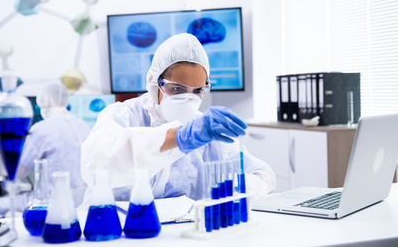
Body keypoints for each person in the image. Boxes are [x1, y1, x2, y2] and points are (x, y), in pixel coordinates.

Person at [81, 33, 276, 202]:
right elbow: (95, 164)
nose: (187, 99)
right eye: (177, 89)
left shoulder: (206, 131)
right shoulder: (123, 115)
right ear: (154, 82)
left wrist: (237, 188)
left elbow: (263, 175)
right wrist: (179, 138)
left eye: (198, 90)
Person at [17, 82, 91, 207]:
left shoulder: (41, 129)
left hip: (54, 203)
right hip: (86, 202)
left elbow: (18, 172)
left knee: (3, 203)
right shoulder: (84, 126)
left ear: (46, 101)